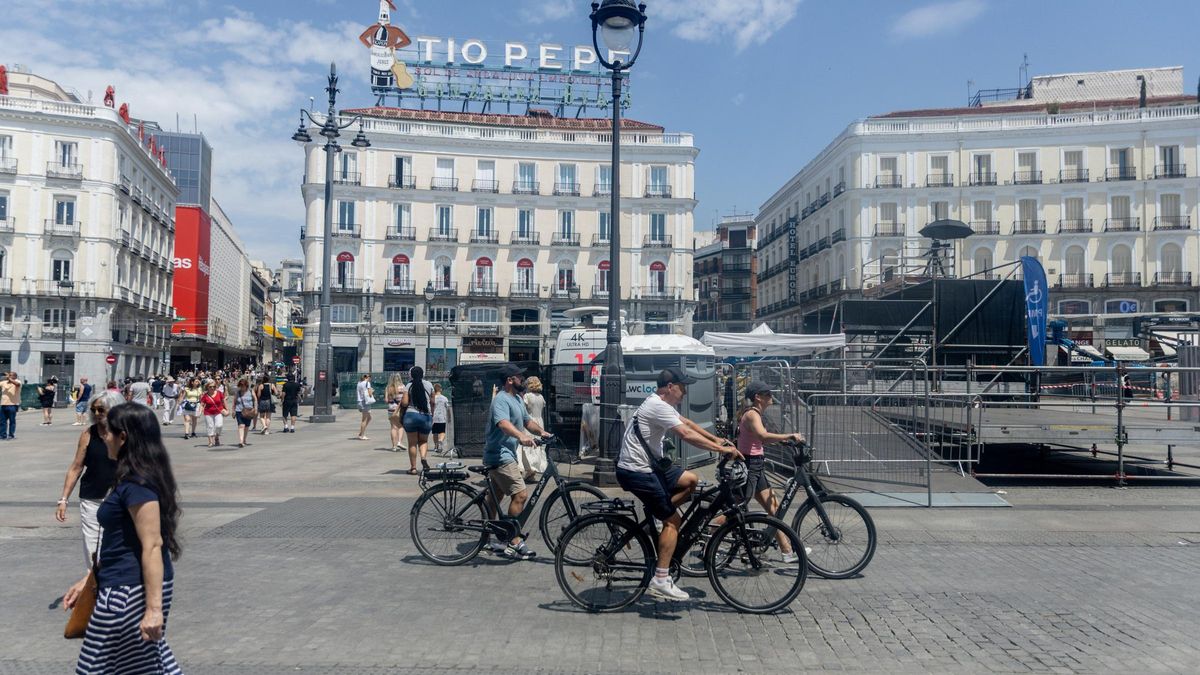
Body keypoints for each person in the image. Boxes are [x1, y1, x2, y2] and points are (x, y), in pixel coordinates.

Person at [62, 403, 184, 674]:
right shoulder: (133, 479)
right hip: (121, 584)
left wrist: (154, 609)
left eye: (108, 431)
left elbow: (152, 544)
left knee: (96, 667)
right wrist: (90, 578)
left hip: (128, 591)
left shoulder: (138, 485)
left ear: (123, 437)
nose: (104, 436)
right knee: (146, 663)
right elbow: (121, 540)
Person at [616, 367, 743, 601]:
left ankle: (658, 517)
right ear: (670, 387)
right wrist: (721, 450)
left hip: (650, 467)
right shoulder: (657, 406)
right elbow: (684, 433)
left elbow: (686, 421)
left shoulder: (660, 404)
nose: (685, 392)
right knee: (674, 521)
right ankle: (661, 580)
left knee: (691, 480)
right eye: (682, 387)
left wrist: (716, 438)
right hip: (637, 471)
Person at [482, 363, 551, 560]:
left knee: (494, 498)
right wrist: (521, 437)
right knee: (520, 494)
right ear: (510, 380)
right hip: (499, 454)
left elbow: (528, 421)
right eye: (520, 377)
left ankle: (485, 540)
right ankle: (512, 540)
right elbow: (503, 424)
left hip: (507, 454)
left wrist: (543, 432)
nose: (523, 379)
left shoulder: (518, 400)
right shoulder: (501, 400)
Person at [735, 381, 806, 563]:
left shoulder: (755, 413)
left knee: (773, 508)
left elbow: (760, 438)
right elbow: (762, 436)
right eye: (767, 394)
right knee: (736, 510)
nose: (771, 397)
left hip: (756, 464)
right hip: (750, 465)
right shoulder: (752, 414)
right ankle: (710, 532)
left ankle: (787, 551)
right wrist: (789, 435)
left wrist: (783, 441)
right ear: (758, 397)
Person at [56, 390, 124, 569]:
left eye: (101, 409)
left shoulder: (126, 433)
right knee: (93, 545)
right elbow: (76, 467)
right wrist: (63, 499)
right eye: (93, 409)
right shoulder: (88, 434)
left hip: (122, 498)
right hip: (92, 497)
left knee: (121, 542)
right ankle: (94, 585)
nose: (96, 414)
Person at [401, 367, 435, 474]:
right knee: (423, 441)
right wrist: (432, 414)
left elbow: (405, 403)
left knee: (412, 443)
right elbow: (433, 402)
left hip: (411, 415)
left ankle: (413, 468)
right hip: (426, 416)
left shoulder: (408, 385)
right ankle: (423, 458)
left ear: (411, 375)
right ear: (423, 374)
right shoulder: (429, 385)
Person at [520, 376, 548, 480]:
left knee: (528, 446)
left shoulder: (527, 396)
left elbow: (523, 409)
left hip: (530, 421)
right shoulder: (541, 397)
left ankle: (529, 469)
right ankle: (533, 470)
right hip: (539, 422)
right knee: (537, 445)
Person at [200, 379, 228, 447]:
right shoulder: (205, 395)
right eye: (210, 387)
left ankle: (216, 436)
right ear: (207, 387)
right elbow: (202, 404)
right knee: (210, 427)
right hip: (208, 412)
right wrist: (200, 411)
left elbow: (224, 401)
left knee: (219, 425)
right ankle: (210, 441)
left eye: (213, 386)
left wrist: (227, 409)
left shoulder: (219, 393)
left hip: (218, 412)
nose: (212, 388)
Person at [385, 373, 407, 452]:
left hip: (390, 409)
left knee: (393, 427)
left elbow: (386, 400)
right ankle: (399, 442)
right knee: (401, 426)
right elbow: (404, 399)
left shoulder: (388, 387)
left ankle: (394, 446)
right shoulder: (402, 387)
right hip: (399, 409)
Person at [233, 378, 256, 448]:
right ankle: (241, 441)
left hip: (249, 411)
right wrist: (233, 410)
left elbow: (255, 400)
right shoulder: (238, 392)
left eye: (243, 386)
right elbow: (234, 402)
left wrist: (256, 408)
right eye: (240, 386)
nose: (242, 387)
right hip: (239, 411)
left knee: (246, 426)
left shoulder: (251, 391)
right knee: (241, 425)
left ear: (246, 385)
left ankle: (244, 439)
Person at [0, 371, 20, 441]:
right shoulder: (4, 383)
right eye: (9, 375)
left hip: (12, 405)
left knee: (12, 421)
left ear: (15, 377)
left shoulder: (17, 382)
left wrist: (9, 378)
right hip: (3, 404)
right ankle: (3, 435)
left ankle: (11, 435)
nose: (9, 377)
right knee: (2, 421)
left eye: (11, 375)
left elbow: (17, 384)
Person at [431, 383, 450, 454]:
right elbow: (448, 409)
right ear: (441, 389)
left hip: (434, 418)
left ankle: (436, 446)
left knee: (435, 432)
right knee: (442, 431)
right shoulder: (445, 398)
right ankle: (441, 441)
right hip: (442, 417)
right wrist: (449, 417)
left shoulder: (433, 398)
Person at [356, 374, 374, 441]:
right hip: (365, 402)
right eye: (370, 377)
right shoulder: (367, 383)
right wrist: (372, 391)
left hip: (359, 401)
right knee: (364, 419)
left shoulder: (359, 383)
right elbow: (369, 393)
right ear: (367, 378)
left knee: (369, 418)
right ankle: (362, 435)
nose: (370, 378)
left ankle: (361, 433)